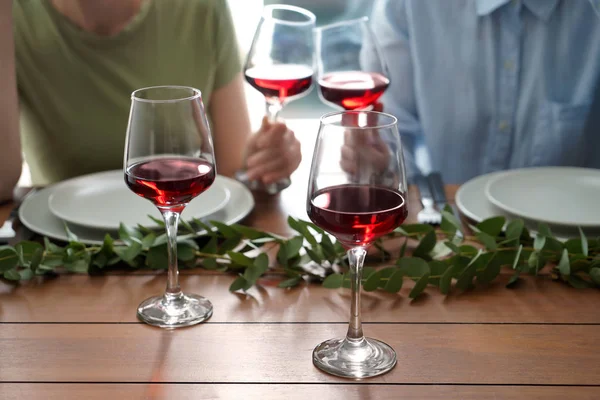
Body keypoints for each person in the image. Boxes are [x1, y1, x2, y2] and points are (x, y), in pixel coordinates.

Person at [0, 0, 301, 202]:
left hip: (190, 247)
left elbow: (233, 173)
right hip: (64, 259)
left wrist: (263, 163)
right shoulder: (16, 13)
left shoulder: (200, 7)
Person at [367, 0, 600, 184]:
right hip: (442, 224)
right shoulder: (403, 6)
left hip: (579, 235)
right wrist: (381, 167)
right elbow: (388, 133)